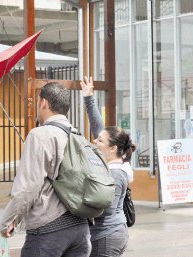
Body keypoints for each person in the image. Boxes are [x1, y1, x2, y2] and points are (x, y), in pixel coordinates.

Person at [0, 82, 92, 257]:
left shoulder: (39, 135)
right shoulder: (78, 135)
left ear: (43, 103)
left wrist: (10, 221)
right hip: (81, 229)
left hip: (48, 230)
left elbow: (28, 187)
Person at [81, 76, 136, 257]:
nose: (95, 141)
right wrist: (89, 98)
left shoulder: (116, 174)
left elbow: (105, 208)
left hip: (107, 236)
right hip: (108, 234)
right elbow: (99, 129)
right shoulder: (113, 161)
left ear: (112, 148)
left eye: (100, 141)